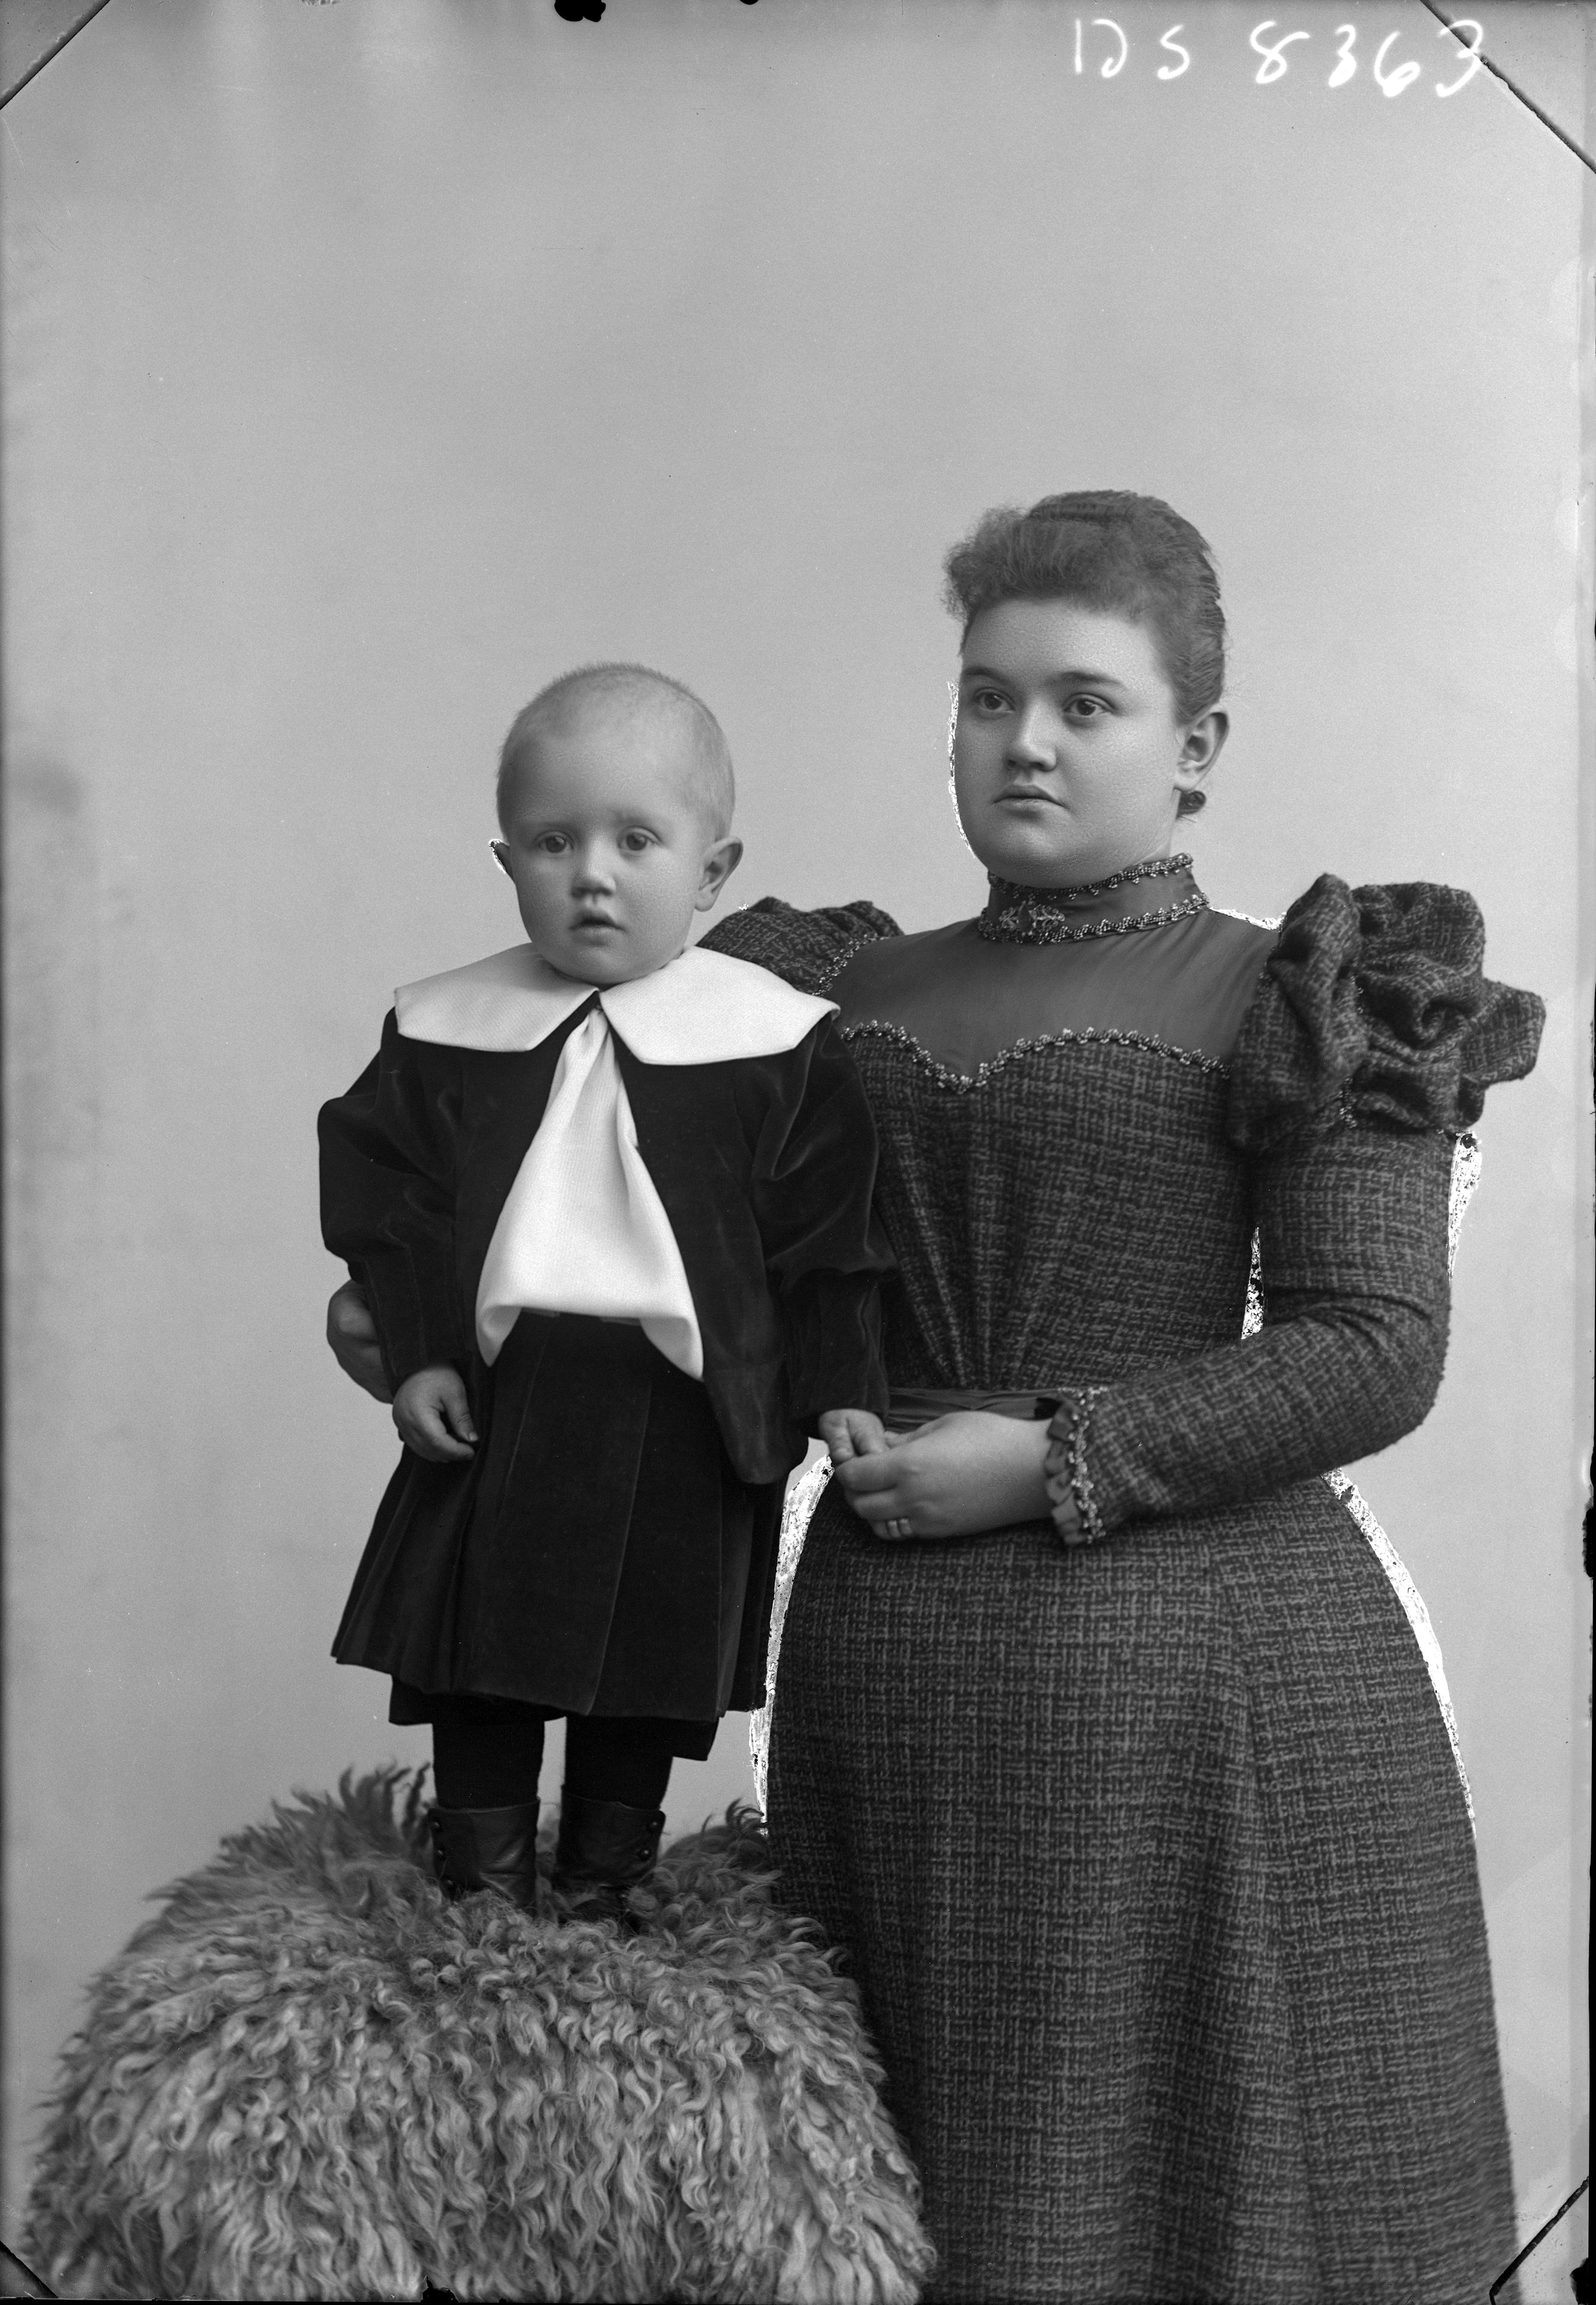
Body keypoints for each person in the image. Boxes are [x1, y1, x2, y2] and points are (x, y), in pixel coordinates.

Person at [326, 497, 1543, 2302]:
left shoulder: (1305, 991)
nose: (1024, 741)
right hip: (882, 1693)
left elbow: (1373, 1342)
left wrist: (1061, 1457)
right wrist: (422, 1315)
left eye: (1083, 702)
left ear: (1195, 746)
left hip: (1200, 1702)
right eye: (988, 698)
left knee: (1193, 2216)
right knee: (897, 2215)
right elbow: (591, 1204)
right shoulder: (809, 990)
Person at [318, 663, 890, 1927]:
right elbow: (393, 1208)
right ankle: (481, 1882)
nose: (592, 874)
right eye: (552, 841)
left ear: (712, 869)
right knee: (477, 1651)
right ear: (504, 860)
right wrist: (420, 1352)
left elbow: (829, 1236)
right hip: (500, 1399)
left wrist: (843, 1385)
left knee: (648, 1656)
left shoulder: (777, 1041)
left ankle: (605, 1880)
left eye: (637, 840)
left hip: (686, 1410)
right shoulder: (445, 1026)